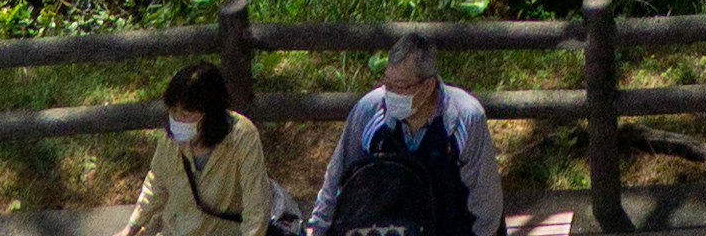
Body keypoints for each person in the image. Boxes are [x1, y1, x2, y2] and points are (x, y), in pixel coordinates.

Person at [308, 35, 502, 236]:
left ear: (428, 86)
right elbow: (336, 177)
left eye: (400, 86)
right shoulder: (368, 110)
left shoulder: (467, 117)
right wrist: (317, 230)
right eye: (387, 83)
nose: (390, 93)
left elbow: (486, 200)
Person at [122, 60, 269, 236]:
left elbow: (256, 207)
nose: (177, 120)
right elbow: (156, 183)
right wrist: (130, 228)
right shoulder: (170, 137)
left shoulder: (243, 136)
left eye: (186, 114)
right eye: (173, 111)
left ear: (211, 113)